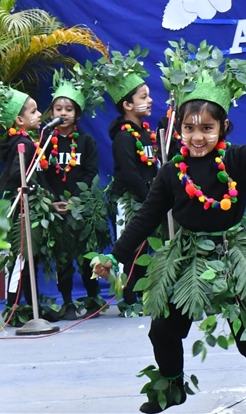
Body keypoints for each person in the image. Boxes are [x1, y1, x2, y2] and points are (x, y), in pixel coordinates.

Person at [94, 43, 246, 414]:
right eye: (189, 128)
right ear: (178, 128)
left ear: (223, 127)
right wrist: (114, 257)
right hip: (187, 257)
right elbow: (146, 218)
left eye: (207, 128)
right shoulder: (171, 173)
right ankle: (172, 389)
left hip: (232, 256)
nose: (197, 137)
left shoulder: (237, 159)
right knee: (162, 330)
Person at [87, 49, 158, 317]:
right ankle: (127, 298)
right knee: (128, 249)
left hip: (146, 199)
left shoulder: (146, 134)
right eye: (144, 97)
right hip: (126, 202)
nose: (150, 100)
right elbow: (129, 173)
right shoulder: (123, 137)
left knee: (145, 249)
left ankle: (141, 294)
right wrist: (151, 200)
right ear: (128, 105)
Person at [39, 77, 101, 320]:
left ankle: (93, 299)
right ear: (51, 112)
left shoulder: (86, 141)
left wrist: (75, 200)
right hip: (55, 208)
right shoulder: (45, 142)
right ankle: (67, 303)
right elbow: (41, 174)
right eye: (58, 109)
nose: (63, 113)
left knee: (86, 257)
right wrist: (52, 201)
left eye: (68, 109)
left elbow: (91, 173)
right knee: (62, 258)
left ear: (77, 114)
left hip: (81, 208)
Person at [0, 87, 45, 317]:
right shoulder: (23, 143)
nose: (39, 114)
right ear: (19, 120)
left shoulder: (19, 140)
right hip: (20, 205)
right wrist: (32, 188)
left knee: (26, 258)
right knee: (22, 257)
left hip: (20, 202)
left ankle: (31, 305)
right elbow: (18, 173)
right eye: (33, 111)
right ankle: (13, 307)